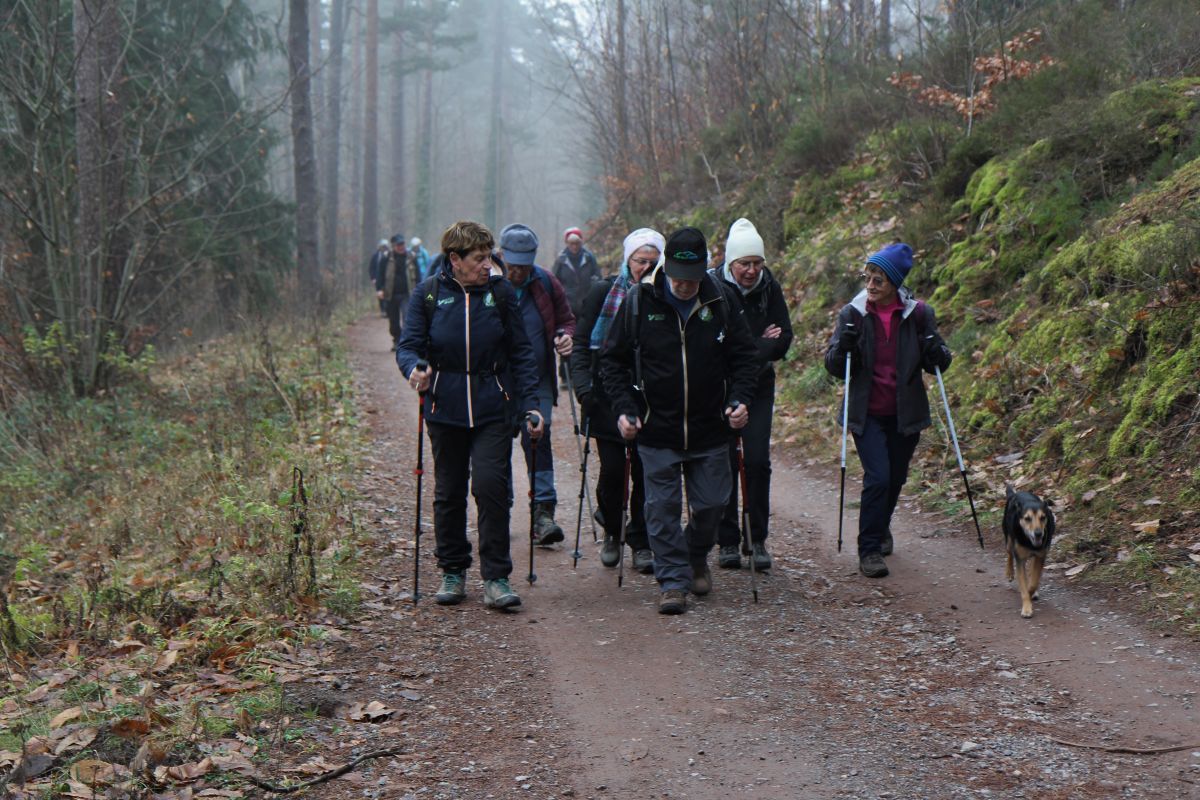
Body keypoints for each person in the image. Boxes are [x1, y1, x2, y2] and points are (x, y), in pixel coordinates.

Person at [601, 227, 760, 615]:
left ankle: (694, 556)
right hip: (657, 429)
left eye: (692, 278)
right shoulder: (640, 300)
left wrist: (739, 400)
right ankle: (672, 582)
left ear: (704, 270)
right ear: (665, 267)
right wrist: (625, 409)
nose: (684, 286)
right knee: (662, 509)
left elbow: (745, 358)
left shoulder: (722, 299)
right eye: (677, 277)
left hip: (711, 428)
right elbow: (612, 361)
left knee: (713, 504)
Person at [396, 221, 545, 610]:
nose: (487, 265)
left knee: (491, 486)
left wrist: (531, 404)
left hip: (493, 406)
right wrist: (414, 369)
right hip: (444, 408)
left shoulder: (501, 294)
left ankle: (496, 577)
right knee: (449, 491)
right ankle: (453, 569)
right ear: (455, 259)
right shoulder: (429, 294)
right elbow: (408, 346)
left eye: (488, 257)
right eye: (478, 259)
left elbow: (521, 352)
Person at [823, 242, 953, 579]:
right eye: (867, 277)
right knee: (878, 477)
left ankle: (881, 527)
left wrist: (935, 351)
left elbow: (938, 364)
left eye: (878, 280)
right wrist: (844, 348)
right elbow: (835, 366)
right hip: (866, 412)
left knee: (895, 478)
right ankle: (868, 549)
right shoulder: (853, 314)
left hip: (904, 412)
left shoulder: (918, 314)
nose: (870, 285)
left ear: (895, 283)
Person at [569, 228, 663, 574]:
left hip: (651, 397)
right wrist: (584, 389)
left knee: (645, 471)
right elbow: (581, 344)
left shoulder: (666, 297)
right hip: (606, 394)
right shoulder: (603, 292)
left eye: (653, 262)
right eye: (640, 261)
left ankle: (641, 540)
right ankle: (612, 527)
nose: (646, 267)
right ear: (628, 259)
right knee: (612, 471)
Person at [712, 218, 794, 572]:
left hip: (759, 387)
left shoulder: (769, 287)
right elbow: (712, 346)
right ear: (731, 262)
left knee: (757, 461)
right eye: (744, 263)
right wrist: (759, 343)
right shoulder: (712, 287)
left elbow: (784, 338)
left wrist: (747, 349)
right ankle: (727, 540)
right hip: (718, 387)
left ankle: (756, 538)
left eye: (757, 263)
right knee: (724, 461)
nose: (751, 271)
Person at [497, 223, 576, 546]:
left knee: (538, 438)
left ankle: (543, 514)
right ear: (501, 256)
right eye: (513, 265)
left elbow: (566, 319)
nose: (517, 272)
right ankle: (498, 510)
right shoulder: (487, 283)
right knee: (497, 443)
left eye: (524, 265)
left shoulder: (545, 281)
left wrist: (565, 336)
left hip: (538, 377)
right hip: (498, 380)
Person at [551, 227, 602, 317]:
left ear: (581, 242)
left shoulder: (589, 258)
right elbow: (554, 282)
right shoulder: (561, 260)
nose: (574, 246)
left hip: (587, 305)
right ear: (567, 243)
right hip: (567, 306)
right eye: (571, 243)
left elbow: (598, 277)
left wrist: (593, 293)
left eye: (577, 243)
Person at [376, 234, 414, 349]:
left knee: (407, 317)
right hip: (390, 294)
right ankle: (396, 340)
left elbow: (417, 275)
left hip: (407, 294)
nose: (401, 247)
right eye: (398, 245)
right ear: (393, 246)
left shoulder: (411, 257)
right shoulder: (386, 258)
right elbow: (380, 275)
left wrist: (420, 289)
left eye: (402, 244)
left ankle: (405, 341)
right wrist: (379, 289)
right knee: (393, 320)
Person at [369, 239, 390, 316]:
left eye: (385, 247)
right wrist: (373, 278)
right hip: (378, 279)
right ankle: (383, 310)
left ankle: (388, 310)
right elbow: (371, 268)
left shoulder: (390, 255)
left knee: (388, 294)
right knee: (380, 295)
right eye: (382, 247)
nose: (384, 248)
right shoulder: (375, 256)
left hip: (388, 279)